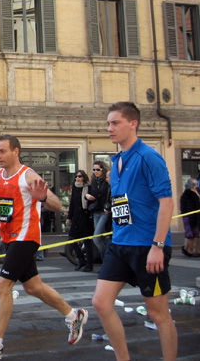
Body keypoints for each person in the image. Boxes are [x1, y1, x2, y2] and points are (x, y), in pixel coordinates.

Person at [0, 135, 88, 360]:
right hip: (9, 238)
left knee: (2, 286)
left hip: (26, 237)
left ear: (16, 152)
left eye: (2, 151)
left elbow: (57, 204)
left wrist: (43, 197)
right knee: (33, 287)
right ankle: (74, 315)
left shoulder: (28, 175)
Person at [92, 102, 177, 361]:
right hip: (120, 244)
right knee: (101, 302)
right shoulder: (115, 162)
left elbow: (167, 202)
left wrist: (157, 247)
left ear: (133, 123)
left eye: (115, 123)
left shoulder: (149, 157)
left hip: (148, 246)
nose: (110, 128)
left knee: (158, 314)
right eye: (108, 123)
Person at [66, 170, 95, 272]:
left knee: (87, 241)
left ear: (84, 177)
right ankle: (81, 260)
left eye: (79, 176)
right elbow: (72, 203)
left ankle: (90, 264)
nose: (77, 178)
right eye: (76, 176)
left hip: (86, 217)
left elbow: (94, 200)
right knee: (71, 239)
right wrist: (69, 217)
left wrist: (88, 198)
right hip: (76, 217)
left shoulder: (88, 187)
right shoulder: (75, 187)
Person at [87, 161, 111, 260]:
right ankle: (106, 262)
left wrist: (109, 206)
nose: (95, 172)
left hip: (105, 211)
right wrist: (87, 196)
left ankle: (107, 261)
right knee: (102, 238)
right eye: (94, 170)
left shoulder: (107, 182)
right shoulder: (93, 182)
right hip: (95, 211)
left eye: (98, 169)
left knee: (96, 238)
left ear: (103, 170)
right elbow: (89, 194)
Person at [180, 178, 199, 257]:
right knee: (190, 234)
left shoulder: (193, 193)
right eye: (196, 185)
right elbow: (191, 207)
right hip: (191, 217)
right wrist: (193, 218)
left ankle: (187, 249)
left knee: (193, 234)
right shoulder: (190, 195)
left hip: (193, 216)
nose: (197, 186)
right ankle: (190, 250)